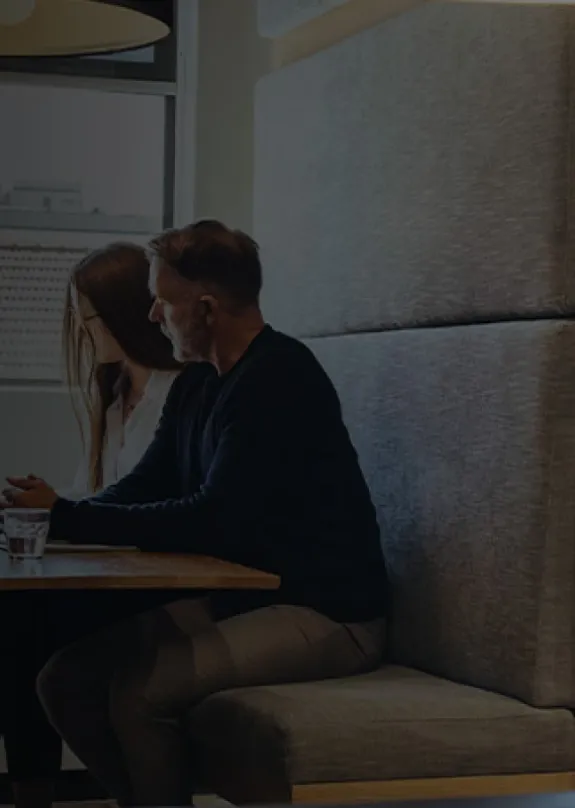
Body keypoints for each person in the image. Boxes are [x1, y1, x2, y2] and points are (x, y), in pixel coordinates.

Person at [4, 220, 389, 808]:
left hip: (326, 612)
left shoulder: (281, 376)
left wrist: (67, 519)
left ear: (205, 308)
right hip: (252, 600)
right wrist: (57, 514)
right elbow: (144, 486)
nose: (153, 316)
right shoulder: (197, 386)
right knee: (62, 680)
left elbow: (211, 518)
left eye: (162, 302)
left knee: (138, 694)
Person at [1, 242, 182, 808]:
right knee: (15, 620)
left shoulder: (180, 395)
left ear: (128, 312)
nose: (81, 332)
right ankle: (33, 791)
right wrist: (39, 503)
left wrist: (65, 511)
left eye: (88, 319)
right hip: (116, 567)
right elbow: (92, 497)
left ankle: (34, 794)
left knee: (20, 626)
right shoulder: (112, 401)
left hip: (156, 578)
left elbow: (156, 507)